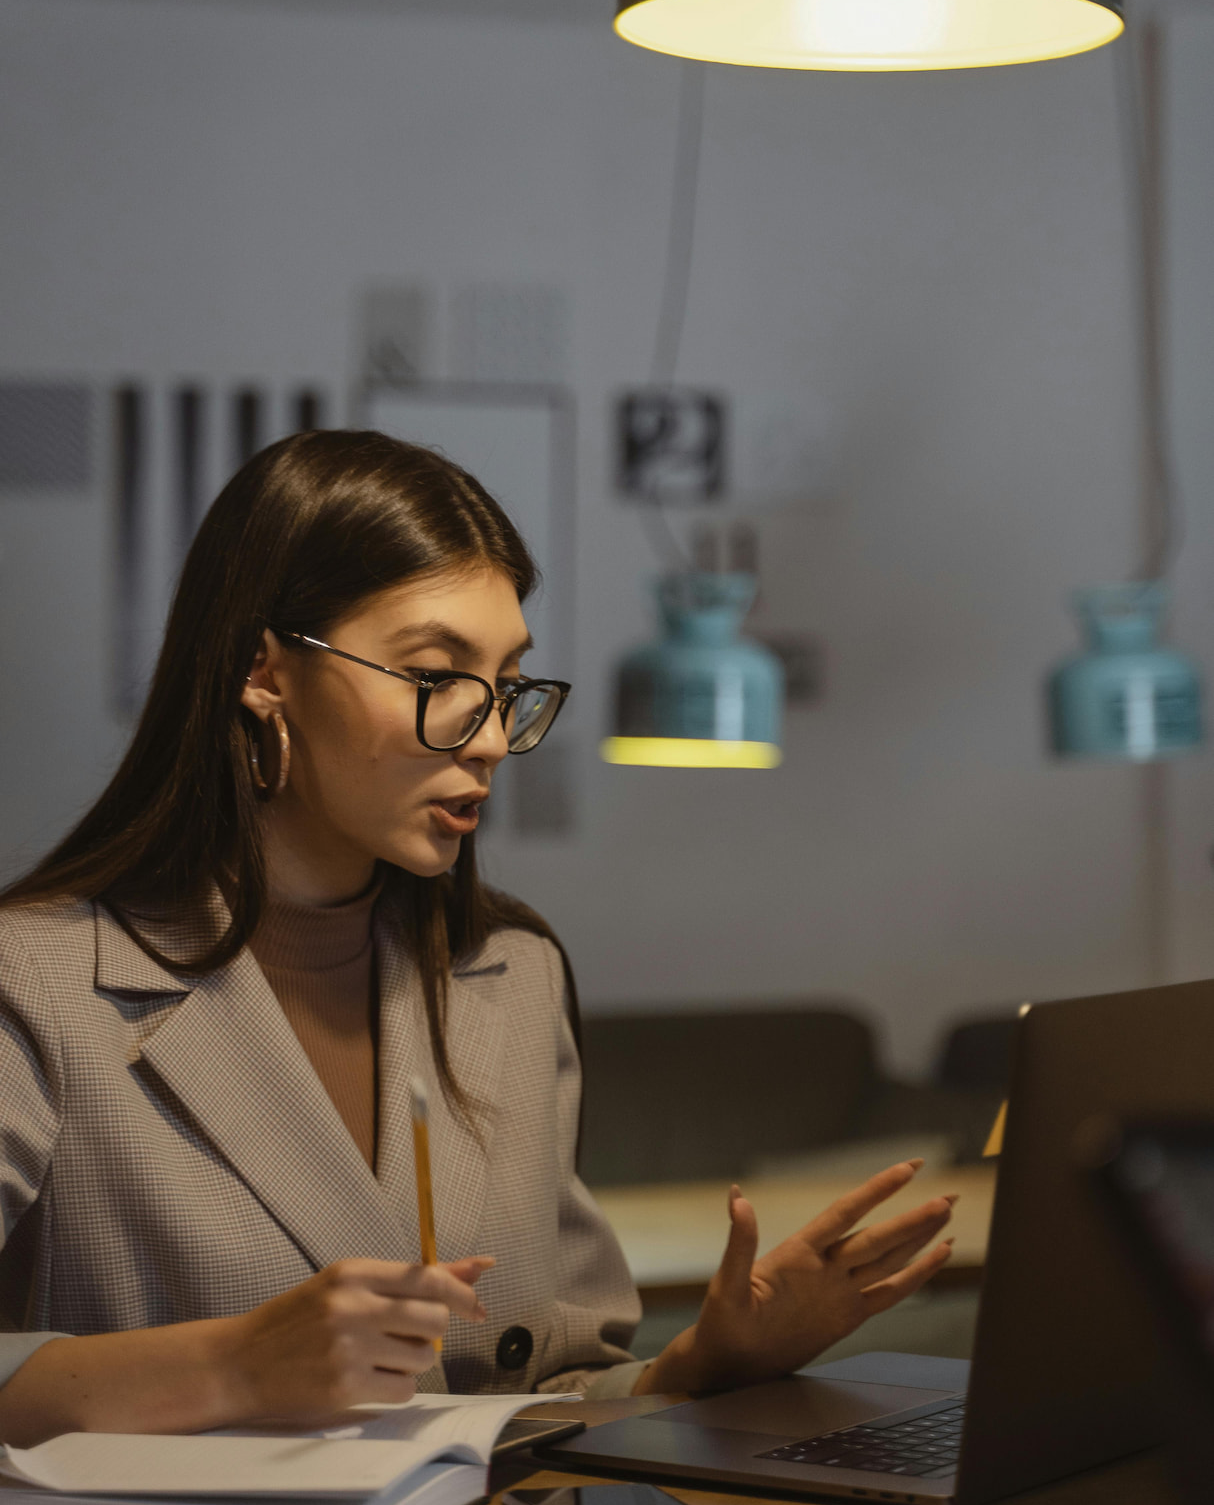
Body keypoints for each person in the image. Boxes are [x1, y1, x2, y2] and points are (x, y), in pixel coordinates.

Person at [0, 431, 952, 1448]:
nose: (493, 737)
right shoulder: (39, 981)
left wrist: (707, 1361)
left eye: (504, 683)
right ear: (261, 672)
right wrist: (229, 1367)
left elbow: (555, 1386)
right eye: (435, 674)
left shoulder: (509, 977)